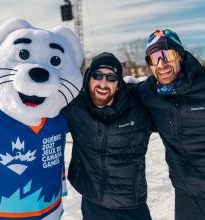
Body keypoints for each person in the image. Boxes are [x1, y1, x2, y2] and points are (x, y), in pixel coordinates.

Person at [63, 52, 152, 220]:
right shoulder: (76, 107)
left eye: (111, 78)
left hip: (131, 205)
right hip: (93, 203)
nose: (103, 83)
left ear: (118, 84)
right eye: (98, 76)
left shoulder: (138, 107)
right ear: (88, 78)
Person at [138, 29, 205, 220]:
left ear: (180, 56)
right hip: (186, 193)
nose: (162, 63)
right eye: (155, 57)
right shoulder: (148, 93)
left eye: (169, 54)